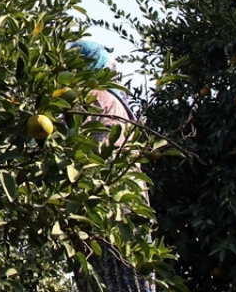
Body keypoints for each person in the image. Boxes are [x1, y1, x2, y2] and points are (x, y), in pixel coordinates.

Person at [69, 40, 155, 292]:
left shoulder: (82, 98)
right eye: (106, 60)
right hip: (116, 212)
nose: (113, 65)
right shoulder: (97, 98)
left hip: (97, 212)